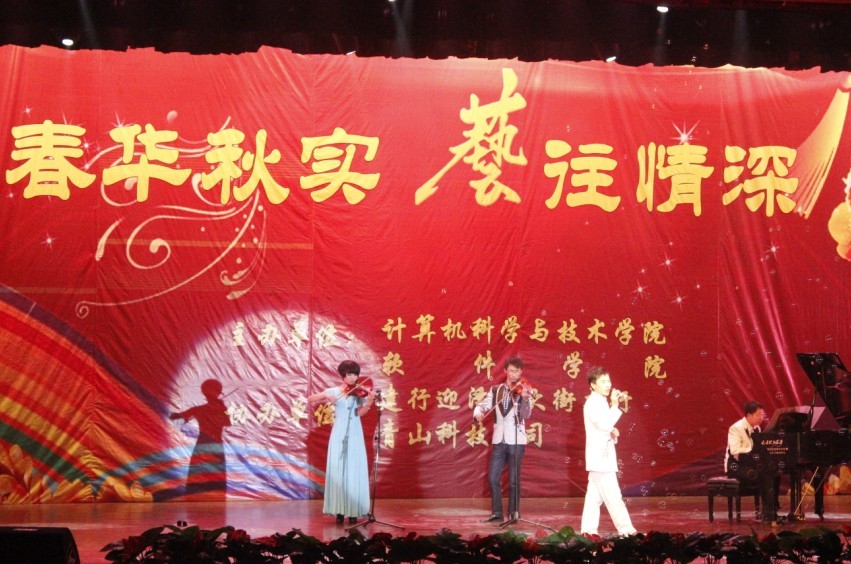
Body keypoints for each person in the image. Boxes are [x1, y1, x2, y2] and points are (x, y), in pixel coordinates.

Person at [307, 360, 376, 525]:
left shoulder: (358, 393)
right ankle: (339, 510)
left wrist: (369, 402)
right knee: (338, 471)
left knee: (353, 469)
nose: (353, 378)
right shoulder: (334, 391)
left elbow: (359, 413)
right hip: (339, 432)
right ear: (343, 375)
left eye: (355, 374)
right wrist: (325, 396)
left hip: (355, 431)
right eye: (350, 374)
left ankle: (353, 511)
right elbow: (310, 398)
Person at [473, 357, 534, 523]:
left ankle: (514, 513)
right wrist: (478, 413)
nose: (514, 374)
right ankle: (497, 512)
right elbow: (481, 405)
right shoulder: (495, 390)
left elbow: (526, 414)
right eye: (511, 371)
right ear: (505, 371)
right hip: (499, 440)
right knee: (493, 477)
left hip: (516, 440)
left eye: (517, 371)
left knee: (514, 480)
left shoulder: (525, 390)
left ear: (521, 372)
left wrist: (526, 399)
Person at [580, 366, 637, 537]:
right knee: (613, 496)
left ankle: (588, 532)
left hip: (601, 457)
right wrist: (615, 405)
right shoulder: (593, 402)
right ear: (593, 384)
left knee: (593, 498)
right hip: (600, 458)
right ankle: (627, 531)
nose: (608, 385)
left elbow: (604, 427)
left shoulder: (600, 401)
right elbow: (603, 424)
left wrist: (612, 431)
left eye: (609, 381)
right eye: (603, 381)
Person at [725, 400, 779, 523]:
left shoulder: (757, 428)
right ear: (749, 415)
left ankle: (772, 509)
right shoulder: (735, 428)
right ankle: (768, 512)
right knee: (763, 474)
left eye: (762, 415)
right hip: (736, 466)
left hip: (750, 464)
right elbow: (735, 451)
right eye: (759, 415)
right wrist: (753, 451)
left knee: (774, 473)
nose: (762, 418)